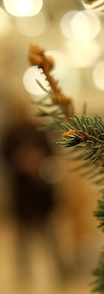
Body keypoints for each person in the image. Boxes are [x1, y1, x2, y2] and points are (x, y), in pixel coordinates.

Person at [1, 98, 65, 283]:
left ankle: (60, 270)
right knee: (23, 238)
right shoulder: (11, 134)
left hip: (42, 192)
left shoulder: (40, 131)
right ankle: (24, 275)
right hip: (22, 193)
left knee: (50, 235)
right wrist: (20, 162)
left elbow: (52, 154)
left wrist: (36, 161)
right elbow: (5, 157)